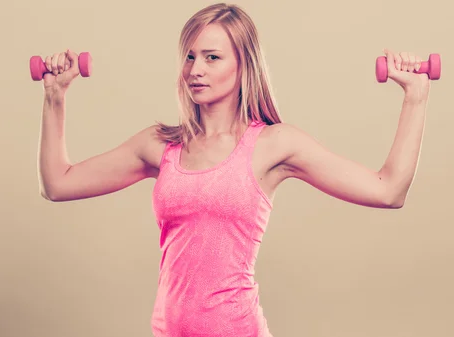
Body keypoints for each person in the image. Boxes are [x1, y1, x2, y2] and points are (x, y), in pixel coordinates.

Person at [36, 3, 431, 336]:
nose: (196, 69)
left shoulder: (273, 145)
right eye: (190, 56)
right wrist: (55, 97)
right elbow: (58, 184)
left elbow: (388, 190)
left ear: (244, 66)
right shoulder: (161, 145)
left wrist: (415, 97)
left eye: (212, 57)